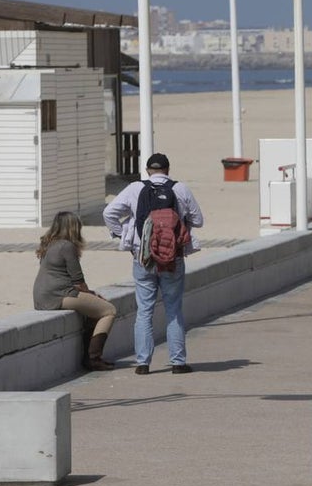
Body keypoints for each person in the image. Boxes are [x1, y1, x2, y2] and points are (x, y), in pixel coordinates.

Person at [103, 153, 204, 375]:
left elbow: (108, 213)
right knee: (174, 309)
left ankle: (142, 363)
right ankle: (178, 362)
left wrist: (124, 236)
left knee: (144, 310)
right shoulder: (180, 189)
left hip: (143, 256)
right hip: (173, 258)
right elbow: (198, 220)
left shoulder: (135, 189)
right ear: (168, 170)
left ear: (148, 170)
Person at [33, 212, 118, 372]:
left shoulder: (49, 243)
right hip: (59, 295)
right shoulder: (67, 246)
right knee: (108, 310)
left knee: (93, 311)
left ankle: (90, 357)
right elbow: (78, 281)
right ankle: (93, 358)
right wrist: (92, 294)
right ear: (74, 228)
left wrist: (89, 295)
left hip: (42, 296)